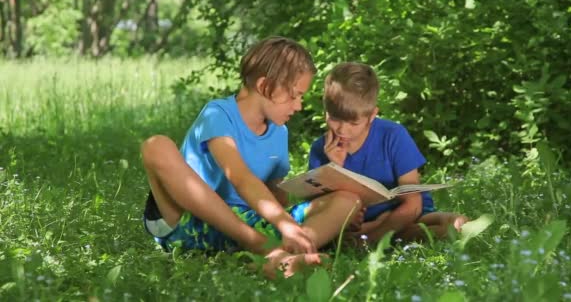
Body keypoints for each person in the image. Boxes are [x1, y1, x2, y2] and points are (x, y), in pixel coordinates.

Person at [141, 37, 362, 278]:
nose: (298, 106)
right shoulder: (218, 114)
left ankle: (283, 255)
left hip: (248, 219)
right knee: (156, 145)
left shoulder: (279, 131)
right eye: (294, 96)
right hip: (192, 219)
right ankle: (262, 247)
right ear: (266, 86)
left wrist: (316, 201)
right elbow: (241, 179)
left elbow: (274, 194)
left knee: (348, 199)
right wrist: (285, 224)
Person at [308, 62, 468, 243]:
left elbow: (413, 204)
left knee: (455, 223)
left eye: (353, 123)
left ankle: (380, 239)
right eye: (335, 119)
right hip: (362, 225)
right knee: (430, 234)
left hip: (405, 214)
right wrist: (335, 167)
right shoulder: (320, 149)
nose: (342, 130)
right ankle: (390, 238)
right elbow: (322, 213)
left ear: (372, 115)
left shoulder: (393, 135)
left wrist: (374, 234)